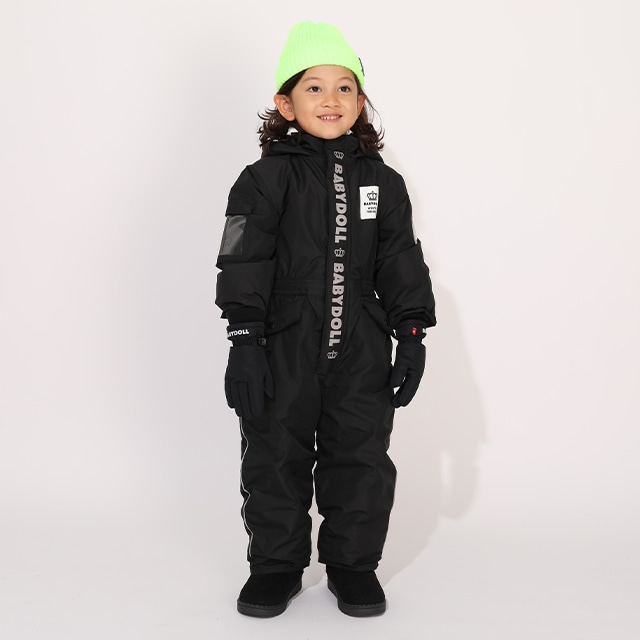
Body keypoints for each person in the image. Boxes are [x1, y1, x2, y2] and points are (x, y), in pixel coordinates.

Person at [215, 20, 436, 618]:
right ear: (286, 103)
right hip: (281, 342)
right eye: (314, 87)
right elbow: (243, 259)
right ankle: (277, 566)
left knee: (360, 455)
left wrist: (411, 332)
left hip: (362, 345)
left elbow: (400, 258)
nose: (331, 99)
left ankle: (352, 565)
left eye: (345, 88)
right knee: (274, 454)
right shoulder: (262, 180)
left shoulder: (383, 183)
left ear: (361, 102)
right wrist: (244, 339)